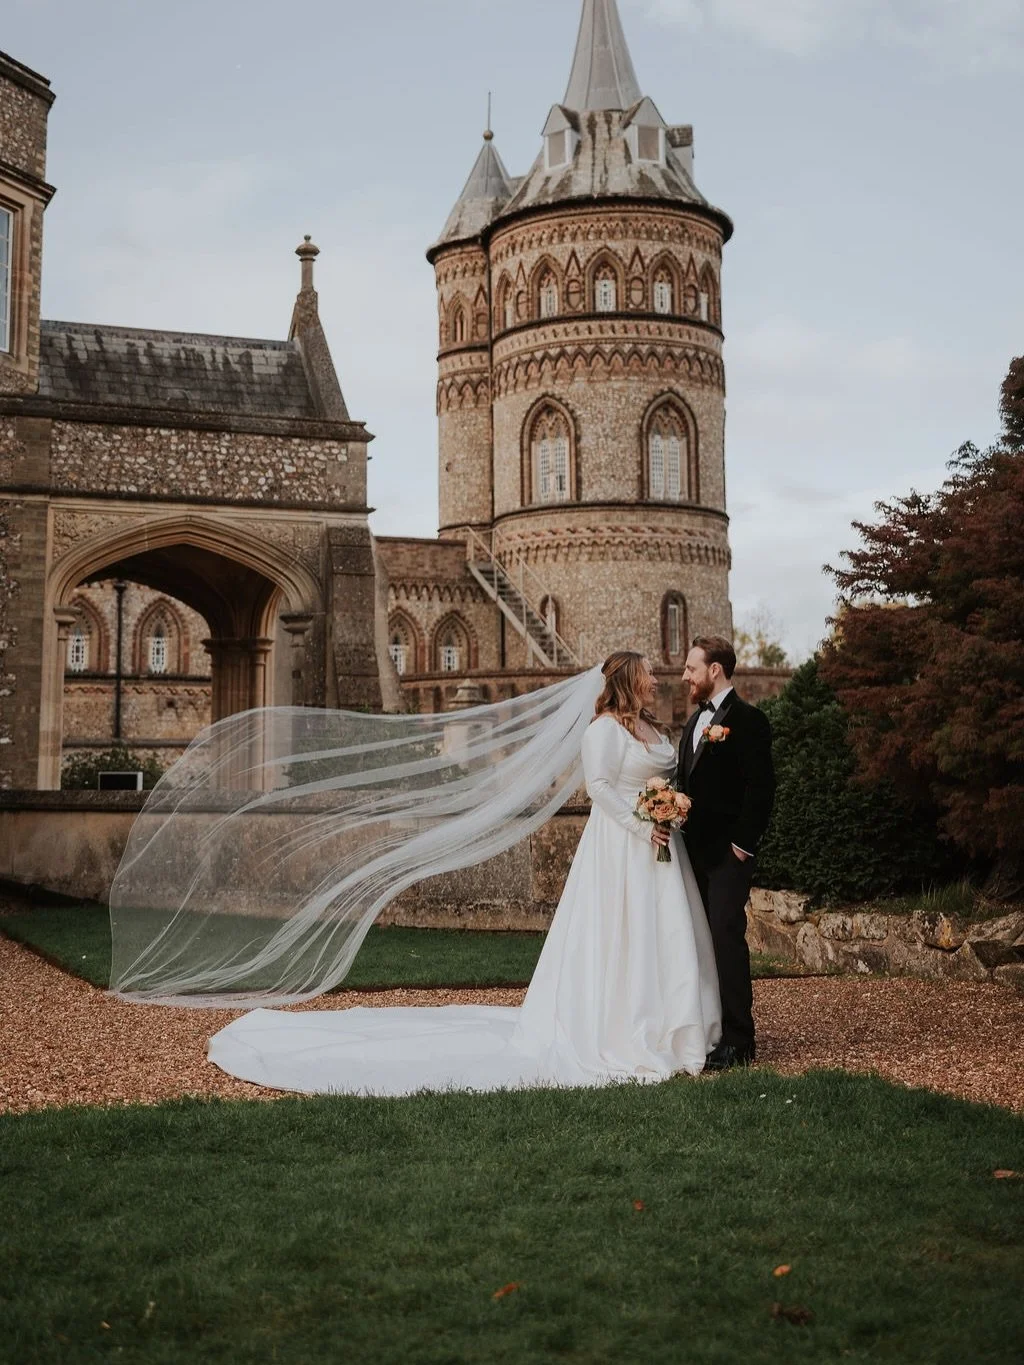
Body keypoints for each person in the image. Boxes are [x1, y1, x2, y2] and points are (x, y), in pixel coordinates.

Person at [204, 652, 722, 1096]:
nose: (656, 679)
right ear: (627, 680)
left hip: (659, 844)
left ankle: (678, 1027)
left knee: (666, 932)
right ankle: (623, 1029)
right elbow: (601, 790)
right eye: (648, 674)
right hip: (620, 846)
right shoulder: (603, 731)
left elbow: (661, 774)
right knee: (619, 937)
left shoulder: (652, 727)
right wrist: (642, 823)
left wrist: (667, 812)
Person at [676, 636, 776, 1071]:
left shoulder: (749, 720)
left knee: (726, 939)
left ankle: (740, 1039)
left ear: (715, 670)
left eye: (691, 669)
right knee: (698, 941)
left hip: (727, 856)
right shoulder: (692, 724)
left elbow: (762, 790)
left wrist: (742, 846)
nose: (685, 677)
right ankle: (710, 1030)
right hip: (691, 854)